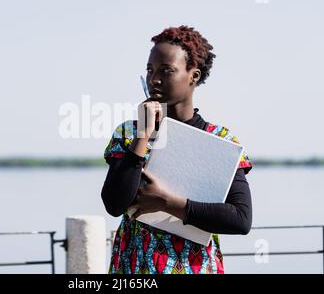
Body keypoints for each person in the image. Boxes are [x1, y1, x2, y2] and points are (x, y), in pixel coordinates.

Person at [101, 25, 253, 274]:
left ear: (193, 75)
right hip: (135, 270)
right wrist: (143, 135)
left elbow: (240, 219)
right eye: (150, 70)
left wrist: (167, 202)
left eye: (166, 70)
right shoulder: (129, 133)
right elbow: (114, 204)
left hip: (197, 268)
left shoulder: (220, 139)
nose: (154, 79)